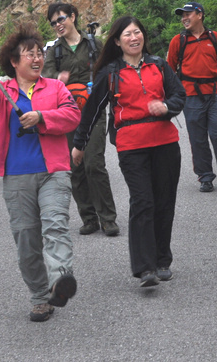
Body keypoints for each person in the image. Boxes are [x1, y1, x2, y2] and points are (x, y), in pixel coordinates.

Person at [0, 23, 81, 322]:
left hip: (53, 171)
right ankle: (39, 297)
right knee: (26, 239)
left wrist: (42, 116)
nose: (36, 59)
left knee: (56, 225)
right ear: (14, 61)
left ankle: (60, 279)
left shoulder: (56, 87)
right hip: (16, 174)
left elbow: (72, 115)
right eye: (29, 54)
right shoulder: (2, 89)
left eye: (39, 54)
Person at [72, 16, 186, 288]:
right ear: (117, 41)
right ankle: (145, 268)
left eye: (137, 33)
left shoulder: (159, 65)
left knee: (164, 202)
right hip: (131, 146)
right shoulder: (110, 73)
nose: (134, 38)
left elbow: (179, 95)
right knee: (143, 201)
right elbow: (92, 111)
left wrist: (167, 106)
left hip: (165, 143)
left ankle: (162, 260)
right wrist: (79, 144)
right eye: (127, 34)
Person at [42, 2, 119, 237]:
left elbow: (111, 69)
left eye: (61, 19)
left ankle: (108, 218)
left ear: (73, 17)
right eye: (53, 22)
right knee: (75, 167)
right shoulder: (53, 51)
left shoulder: (94, 44)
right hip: (67, 113)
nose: (57, 25)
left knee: (94, 163)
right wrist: (58, 77)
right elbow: (45, 77)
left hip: (94, 109)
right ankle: (89, 218)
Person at [168, 2, 217, 193]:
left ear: (200, 15)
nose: (184, 18)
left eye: (188, 14)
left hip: (214, 93)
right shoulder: (178, 41)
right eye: (182, 15)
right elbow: (169, 71)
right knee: (198, 139)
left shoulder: (216, 38)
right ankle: (205, 177)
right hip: (190, 96)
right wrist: (169, 100)